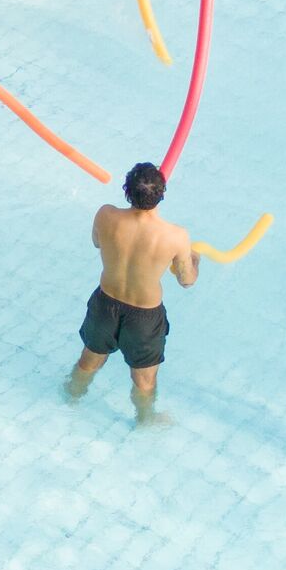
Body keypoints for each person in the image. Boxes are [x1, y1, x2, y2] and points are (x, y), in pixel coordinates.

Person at [64, 161, 200, 421]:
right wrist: (194, 261)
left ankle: (71, 395)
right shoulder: (175, 236)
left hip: (105, 303)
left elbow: (96, 242)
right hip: (144, 317)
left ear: (127, 192)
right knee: (144, 379)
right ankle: (146, 419)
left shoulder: (105, 214)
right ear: (162, 193)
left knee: (89, 360)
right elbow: (187, 280)